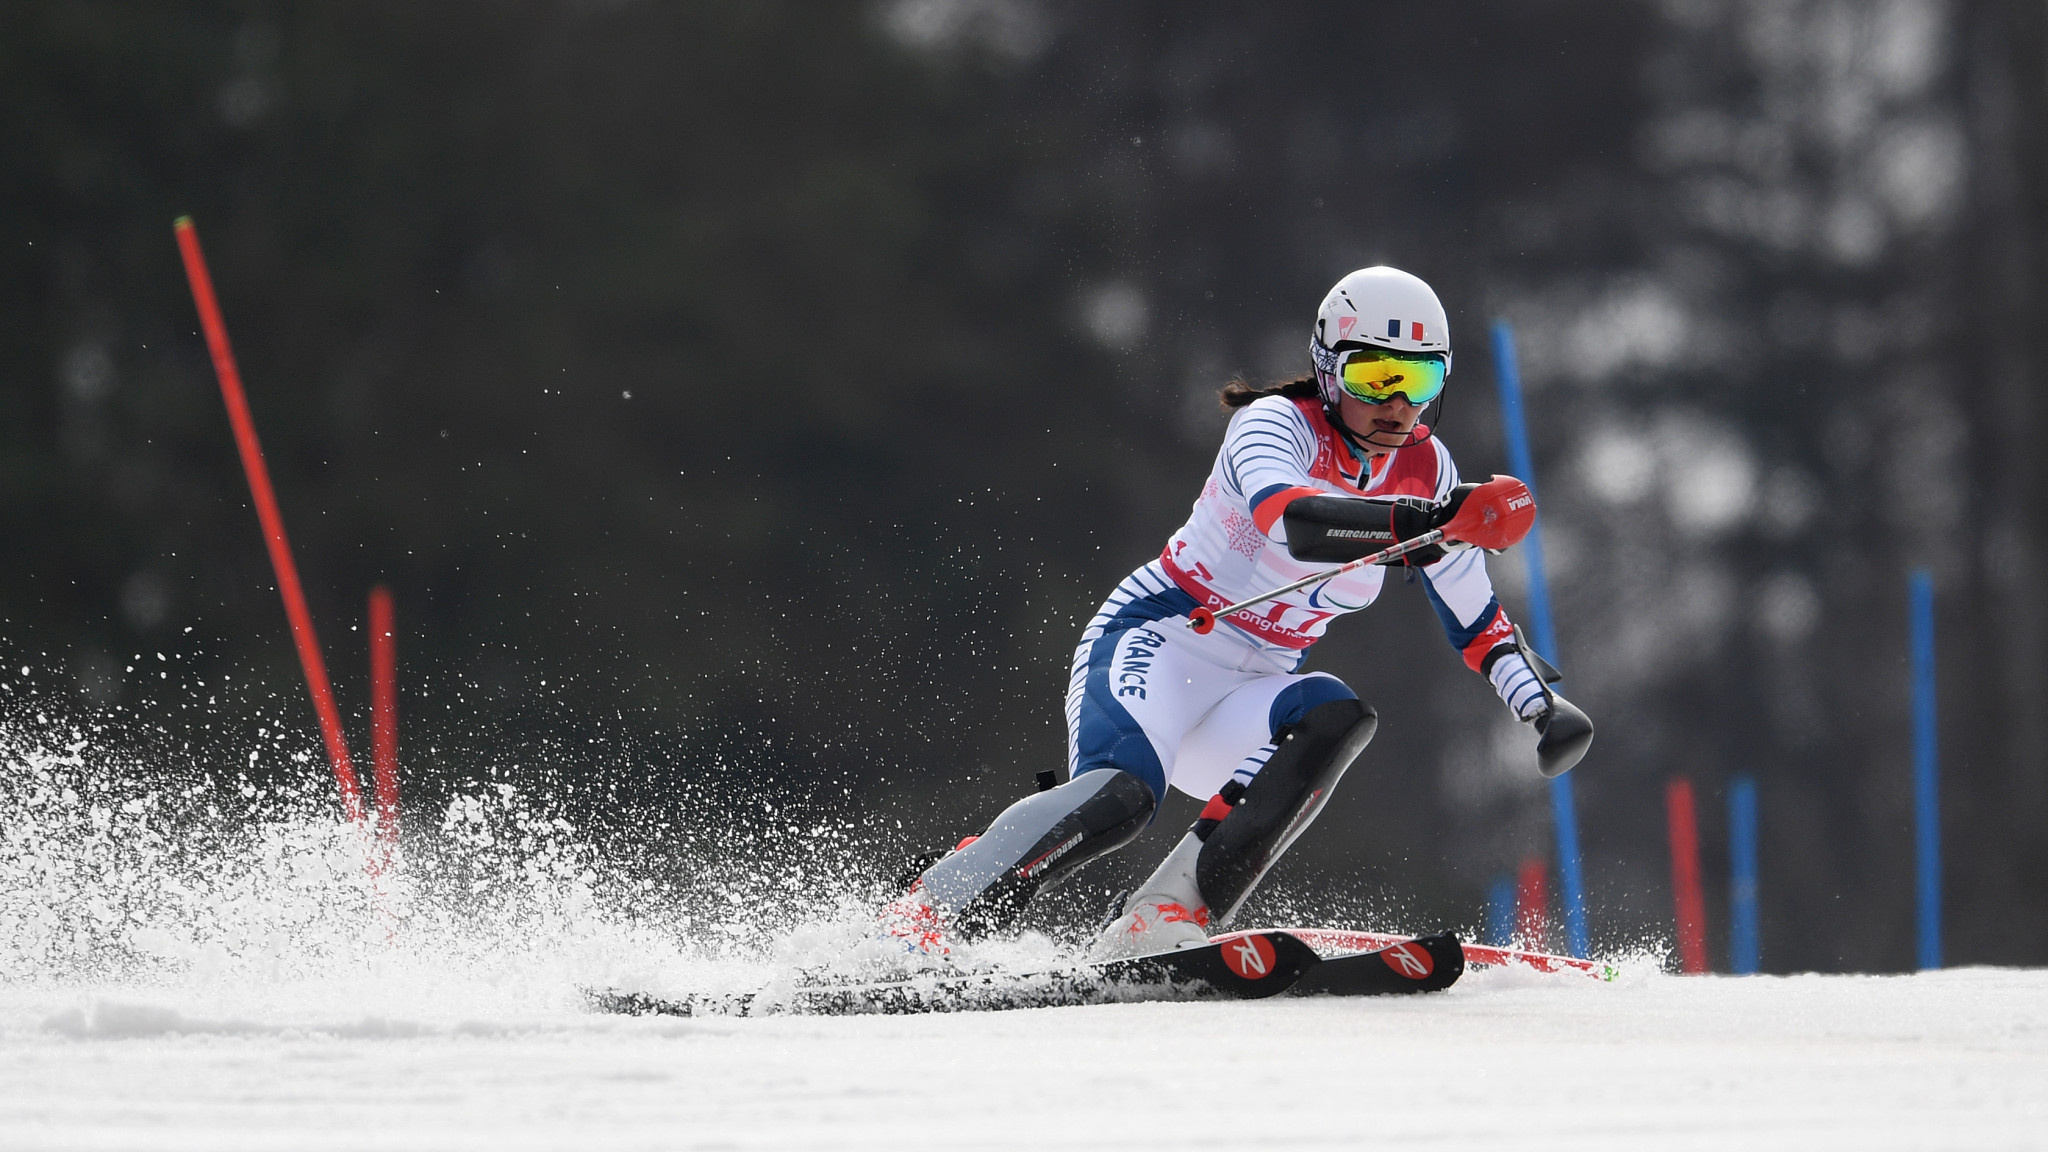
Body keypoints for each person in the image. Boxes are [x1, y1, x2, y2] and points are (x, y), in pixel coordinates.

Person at [880, 266, 1593, 960]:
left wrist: (1541, 707)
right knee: (1122, 798)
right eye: (1377, 376)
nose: (1399, 404)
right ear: (1327, 368)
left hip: (1250, 685)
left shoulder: (1426, 469)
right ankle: (930, 913)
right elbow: (1296, 524)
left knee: (1336, 715)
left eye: (1422, 379)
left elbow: (1475, 616)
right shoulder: (1272, 424)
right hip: (1161, 642)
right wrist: (1428, 521)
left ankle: (1163, 919)